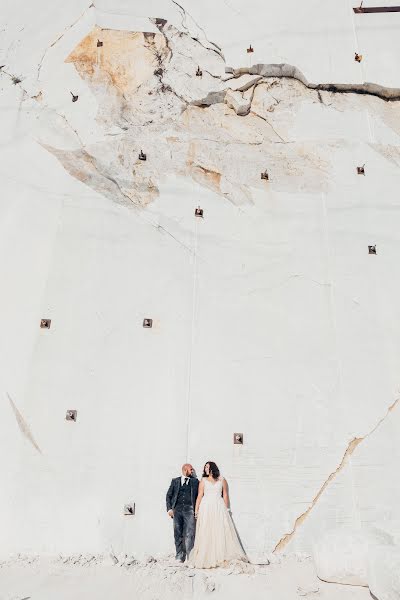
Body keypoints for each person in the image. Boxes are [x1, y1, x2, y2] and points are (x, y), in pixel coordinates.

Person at [188, 461, 248, 569]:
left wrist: (227, 508)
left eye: (207, 466)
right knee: (207, 529)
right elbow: (200, 495)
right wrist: (196, 510)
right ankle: (207, 555)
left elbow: (225, 494)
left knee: (220, 529)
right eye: (205, 467)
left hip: (219, 507)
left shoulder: (222, 480)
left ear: (213, 468)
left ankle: (220, 556)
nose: (206, 468)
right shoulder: (203, 480)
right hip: (206, 507)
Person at [166, 463, 199, 562]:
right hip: (177, 509)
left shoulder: (195, 482)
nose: (192, 471)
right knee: (178, 533)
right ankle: (179, 555)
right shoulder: (175, 481)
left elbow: (200, 495)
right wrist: (169, 509)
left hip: (190, 509)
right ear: (185, 470)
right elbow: (168, 495)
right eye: (191, 469)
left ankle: (190, 556)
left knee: (190, 533)